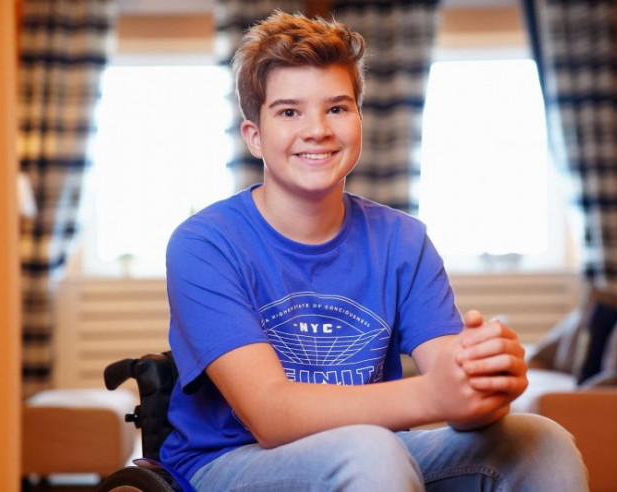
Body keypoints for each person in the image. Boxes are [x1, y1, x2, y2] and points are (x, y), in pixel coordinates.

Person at [162, 10, 588, 492]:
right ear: (254, 137)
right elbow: (271, 416)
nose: (317, 129)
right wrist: (433, 395)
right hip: (229, 462)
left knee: (543, 442)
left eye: (337, 108)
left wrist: (483, 380)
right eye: (289, 112)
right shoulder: (204, 244)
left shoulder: (403, 240)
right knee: (369, 447)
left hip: (375, 453)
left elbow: (456, 396)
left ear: (360, 120)